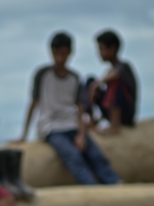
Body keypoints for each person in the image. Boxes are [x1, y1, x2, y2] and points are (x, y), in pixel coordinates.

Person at [18, 32, 122, 186]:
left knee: (96, 156)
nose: (60, 58)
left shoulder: (74, 78)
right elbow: (33, 104)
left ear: (70, 53)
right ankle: (93, 189)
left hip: (72, 126)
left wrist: (82, 134)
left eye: (63, 53)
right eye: (56, 54)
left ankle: (115, 183)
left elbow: (80, 109)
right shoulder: (42, 74)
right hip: (51, 128)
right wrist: (23, 135)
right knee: (73, 157)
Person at [85, 30, 138, 133]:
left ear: (112, 49)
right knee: (90, 81)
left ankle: (115, 125)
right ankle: (91, 120)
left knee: (116, 83)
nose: (99, 53)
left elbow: (115, 75)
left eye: (101, 49)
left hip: (126, 115)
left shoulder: (124, 67)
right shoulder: (109, 71)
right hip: (110, 112)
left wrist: (96, 85)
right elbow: (108, 99)